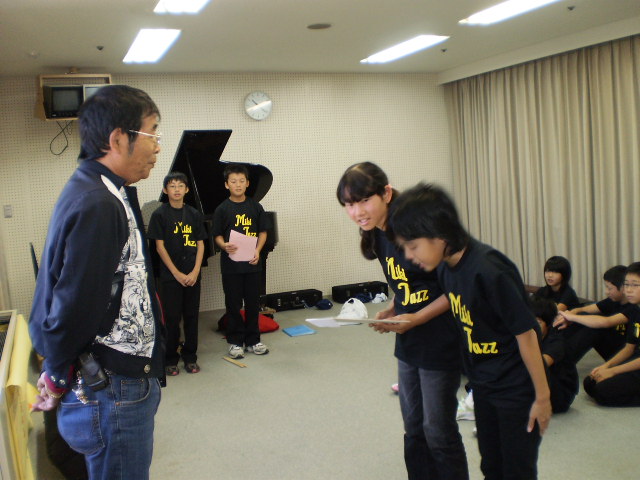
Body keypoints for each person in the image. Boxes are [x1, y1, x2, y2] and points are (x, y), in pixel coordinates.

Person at [29, 85, 165, 480]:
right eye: (152, 133)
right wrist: (56, 374)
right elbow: (74, 302)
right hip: (112, 389)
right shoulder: (98, 203)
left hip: (116, 382)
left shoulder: (102, 189)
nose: (157, 147)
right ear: (118, 139)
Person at [387, 182, 551, 480]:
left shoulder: (489, 270)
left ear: (439, 235)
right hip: (483, 384)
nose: (409, 256)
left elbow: (527, 334)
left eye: (413, 246)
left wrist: (542, 398)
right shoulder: (446, 268)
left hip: (515, 389)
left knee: (516, 471)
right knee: (491, 465)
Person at [337, 163, 468, 480]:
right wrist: (394, 308)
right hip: (409, 339)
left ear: (386, 193)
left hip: (441, 338)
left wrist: (417, 317)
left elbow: (456, 286)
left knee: (438, 431)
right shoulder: (377, 232)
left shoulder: (417, 226)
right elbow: (407, 282)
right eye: (349, 204)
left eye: (364, 200)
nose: (357, 212)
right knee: (414, 428)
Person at [147, 171, 206, 375]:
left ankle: (190, 357)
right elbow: (159, 247)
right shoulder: (159, 215)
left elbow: (200, 244)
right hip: (171, 276)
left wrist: (195, 271)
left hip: (192, 275)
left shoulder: (194, 214)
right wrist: (177, 273)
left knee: (191, 317)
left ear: (187, 189)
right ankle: (170, 358)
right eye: (172, 186)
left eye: (180, 186)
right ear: (165, 190)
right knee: (171, 318)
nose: (176, 189)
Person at [213, 163, 269, 359]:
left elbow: (263, 232)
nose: (238, 185)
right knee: (233, 305)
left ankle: (254, 340)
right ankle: (235, 342)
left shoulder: (256, 207)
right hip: (231, 266)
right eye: (233, 181)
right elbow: (217, 235)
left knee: (253, 304)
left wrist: (258, 251)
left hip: (252, 264)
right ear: (226, 185)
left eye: (241, 181)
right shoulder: (222, 209)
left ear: (247, 183)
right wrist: (224, 245)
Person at [583, 262, 640, 407]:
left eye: (635, 285)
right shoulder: (635, 311)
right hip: (636, 360)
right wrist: (606, 366)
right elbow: (629, 348)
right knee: (590, 382)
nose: (628, 290)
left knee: (603, 392)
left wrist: (614, 371)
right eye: (626, 284)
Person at [554, 265, 630, 363]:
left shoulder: (633, 307)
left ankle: (563, 362)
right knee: (582, 315)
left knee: (595, 327)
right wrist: (572, 314)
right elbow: (587, 309)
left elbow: (605, 322)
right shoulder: (614, 301)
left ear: (623, 288)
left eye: (609, 288)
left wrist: (572, 317)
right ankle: (555, 353)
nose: (606, 292)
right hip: (616, 349)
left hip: (627, 355)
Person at [529, 297, 578, 413]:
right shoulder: (529, 336)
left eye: (538, 322)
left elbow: (540, 365)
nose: (533, 327)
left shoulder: (557, 341)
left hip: (561, 393)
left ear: (549, 324)